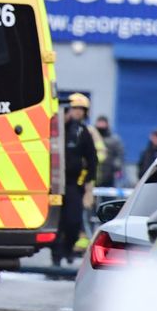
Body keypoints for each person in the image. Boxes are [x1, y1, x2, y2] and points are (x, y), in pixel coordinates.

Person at [53, 93, 97, 267]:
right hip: (55, 184)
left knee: (73, 221)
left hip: (73, 185)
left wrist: (88, 186)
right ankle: (56, 257)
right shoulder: (57, 129)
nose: (77, 112)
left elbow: (92, 159)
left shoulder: (83, 132)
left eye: (81, 109)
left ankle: (67, 249)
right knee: (56, 223)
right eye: (74, 108)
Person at [94, 116, 125, 188]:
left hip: (109, 175)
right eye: (99, 123)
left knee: (109, 197)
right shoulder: (90, 138)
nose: (101, 125)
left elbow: (120, 154)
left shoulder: (114, 139)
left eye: (103, 123)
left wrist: (117, 166)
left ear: (107, 124)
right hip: (94, 173)